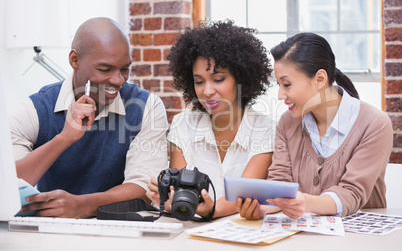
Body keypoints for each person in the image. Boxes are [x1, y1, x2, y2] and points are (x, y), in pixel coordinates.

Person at [9, 17, 168, 218]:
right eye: (105, 69)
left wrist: (82, 205)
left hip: (120, 229)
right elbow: (8, 186)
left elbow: (144, 189)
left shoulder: (147, 107)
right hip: (50, 233)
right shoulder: (34, 110)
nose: (118, 80)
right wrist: (64, 139)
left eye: (125, 69)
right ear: (75, 60)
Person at [236, 32, 393, 220]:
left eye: (287, 84)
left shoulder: (375, 124)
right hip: (305, 237)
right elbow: (280, 182)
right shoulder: (287, 122)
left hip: (359, 239)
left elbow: (351, 193)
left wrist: (305, 202)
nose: (280, 95)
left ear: (320, 79)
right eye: (278, 84)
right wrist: (265, 208)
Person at [146, 20, 275, 220]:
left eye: (218, 79)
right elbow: (181, 192)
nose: (206, 91)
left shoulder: (264, 129)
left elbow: (244, 194)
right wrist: (169, 198)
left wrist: (211, 210)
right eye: (199, 81)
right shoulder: (183, 124)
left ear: (240, 78)